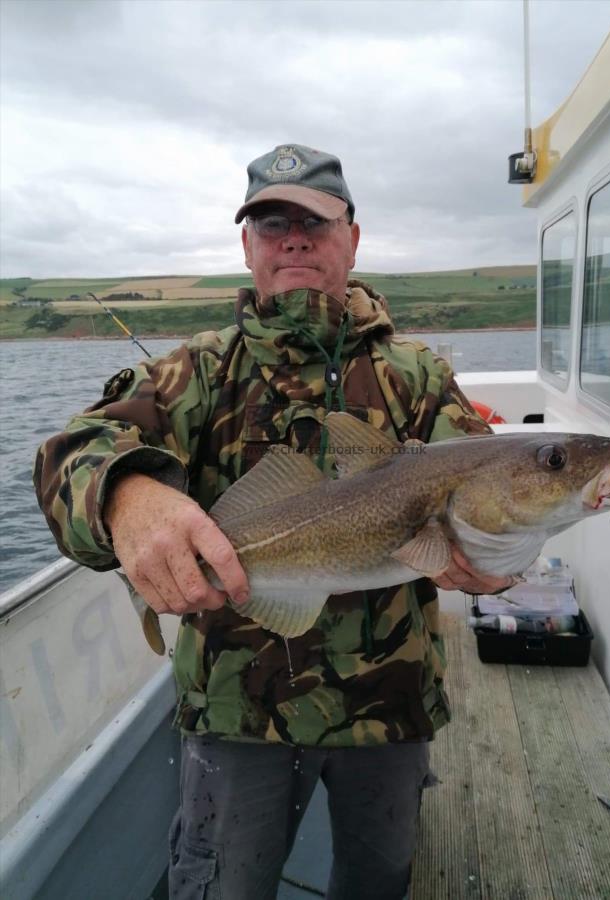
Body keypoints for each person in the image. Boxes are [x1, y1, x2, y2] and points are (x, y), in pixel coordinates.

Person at [34, 143, 513, 899]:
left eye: (314, 222)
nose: (293, 237)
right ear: (247, 245)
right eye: (271, 222)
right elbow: (69, 453)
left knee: (379, 879)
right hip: (234, 711)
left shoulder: (417, 376)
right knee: (223, 885)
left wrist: (501, 551)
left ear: (351, 238)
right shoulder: (193, 372)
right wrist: (127, 495)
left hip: (386, 713)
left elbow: (485, 480)